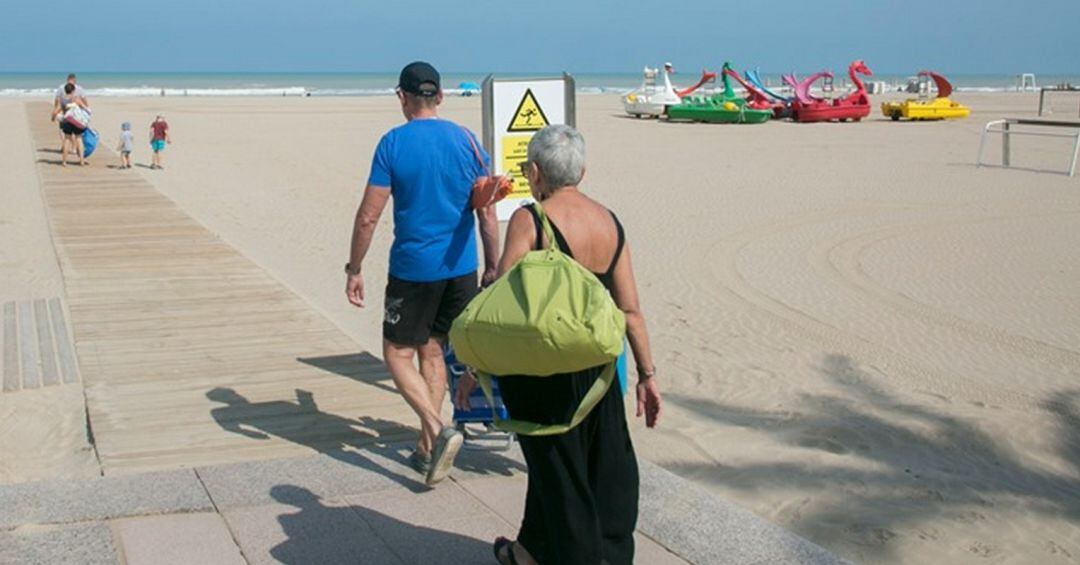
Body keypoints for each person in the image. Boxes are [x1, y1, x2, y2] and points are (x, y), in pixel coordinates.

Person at [454, 125, 662, 565]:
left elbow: (502, 308)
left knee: (559, 473)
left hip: (540, 372)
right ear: (582, 171)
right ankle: (528, 551)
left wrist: (474, 369)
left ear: (534, 171)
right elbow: (631, 311)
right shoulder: (610, 222)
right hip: (600, 371)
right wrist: (647, 375)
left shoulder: (531, 219)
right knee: (599, 469)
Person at [345, 61, 500, 486]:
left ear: (402, 97)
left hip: (414, 270)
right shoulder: (468, 141)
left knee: (396, 354)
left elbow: (368, 218)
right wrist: (493, 265)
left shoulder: (393, 143)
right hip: (460, 269)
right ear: (441, 96)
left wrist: (354, 268)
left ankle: (436, 428)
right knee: (432, 353)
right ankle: (427, 451)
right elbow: (487, 212)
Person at [51, 83, 89, 167]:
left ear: (65, 90)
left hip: (67, 121)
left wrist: (53, 117)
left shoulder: (62, 100)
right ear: (73, 90)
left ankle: (64, 161)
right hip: (76, 121)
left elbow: (56, 110)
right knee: (79, 139)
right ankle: (81, 161)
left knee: (67, 139)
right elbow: (84, 107)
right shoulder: (76, 99)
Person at [52, 73, 87, 147]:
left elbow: (57, 99)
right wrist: (86, 110)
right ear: (75, 80)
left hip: (66, 113)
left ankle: (65, 145)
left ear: (67, 80)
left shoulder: (62, 87)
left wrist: (55, 110)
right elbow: (84, 100)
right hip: (76, 114)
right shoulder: (79, 88)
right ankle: (73, 147)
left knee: (63, 131)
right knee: (76, 133)